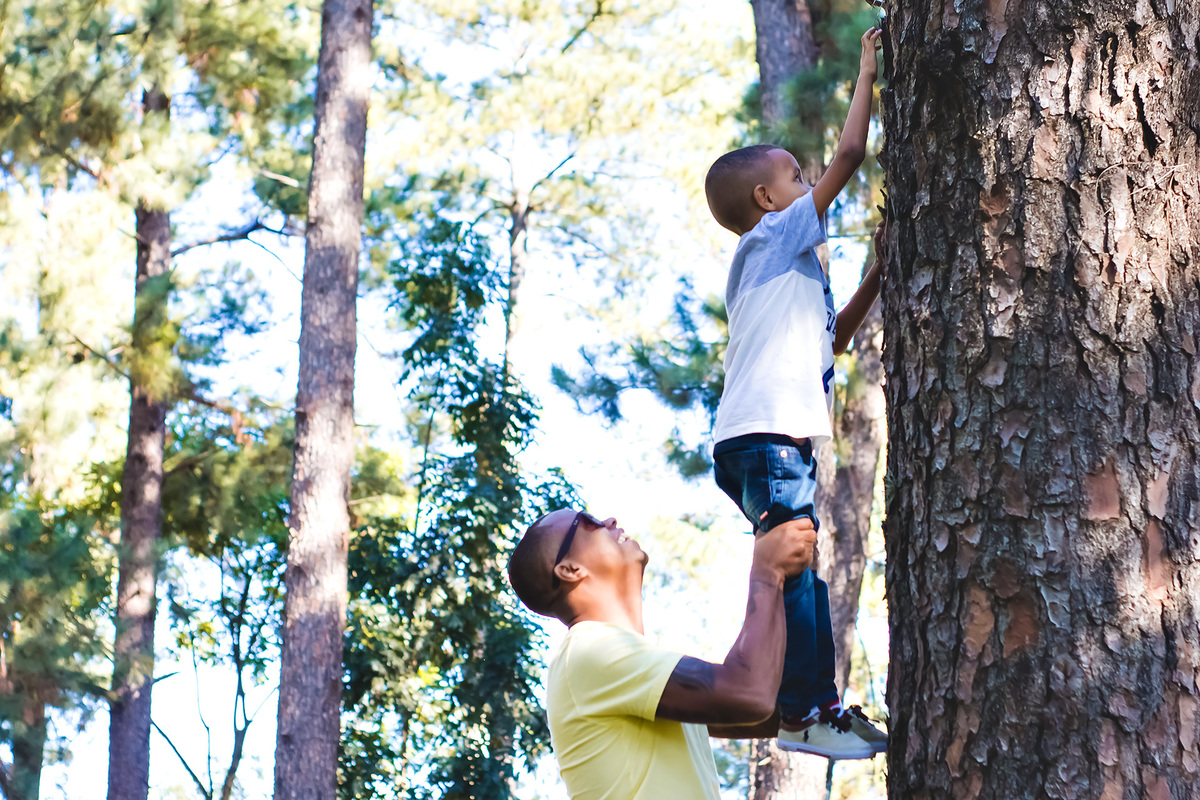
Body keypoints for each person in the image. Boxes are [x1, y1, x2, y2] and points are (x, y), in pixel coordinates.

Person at [700, 25, 889, 759]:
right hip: (769, 435)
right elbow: (849, 156)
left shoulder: (781, 272)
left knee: (791, 561)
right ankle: (806, 708)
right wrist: (869, 65)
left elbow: (833, 341)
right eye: (795, 178)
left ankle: (788, 696)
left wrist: (876, 275)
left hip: (752, 439)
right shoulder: (774, 238)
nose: (809, 185)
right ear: (766, 199)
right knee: (796, 560)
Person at [508, 508, 818, 799]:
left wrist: (792, 579)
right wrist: (769, 570)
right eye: (588, 522)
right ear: (570, 569)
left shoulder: (624, 671)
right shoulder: (587, 649)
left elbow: (767, 713)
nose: (610, 521)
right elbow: (750, 696)